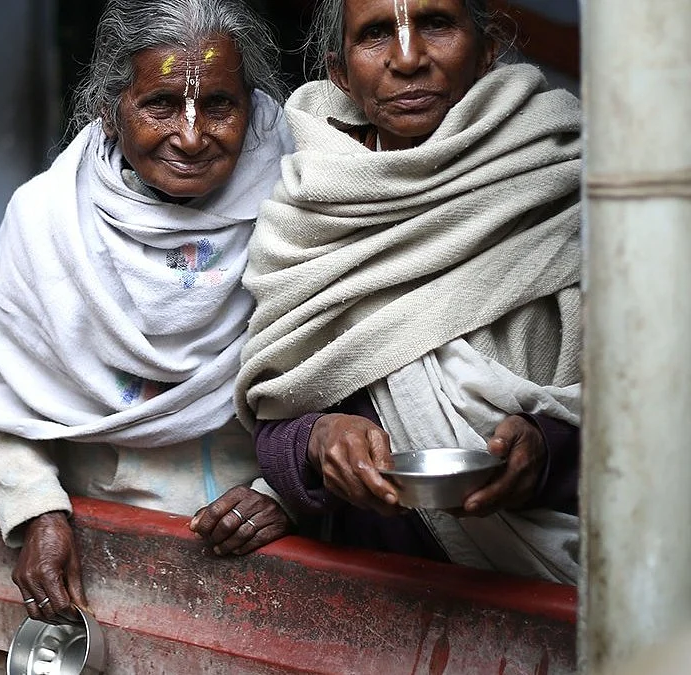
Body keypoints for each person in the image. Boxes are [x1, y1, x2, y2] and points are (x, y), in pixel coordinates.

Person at [0, 0, 296, 622]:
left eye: (220, 105)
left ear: (252, 110)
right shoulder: (47, 220)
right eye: (161, 105)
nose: (193, 137)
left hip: (271, 552)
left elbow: (345, 370)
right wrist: (35, 509)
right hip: (101, 544)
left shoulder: (302, 204)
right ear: (110, 112)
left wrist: (288, 493)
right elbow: (5, 392)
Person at [235, 0, 582, 584]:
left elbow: (649, 404)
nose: (408, 58)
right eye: (375, 35)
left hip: (555, 584)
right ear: (340, 73)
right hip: (375, 591)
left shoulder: (565, 179)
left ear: (488, 47)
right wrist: (317, 441)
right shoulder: (308, 212)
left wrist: (547, 452)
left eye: (437, 24)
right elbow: (275, 415)